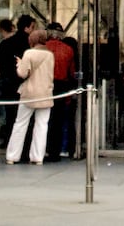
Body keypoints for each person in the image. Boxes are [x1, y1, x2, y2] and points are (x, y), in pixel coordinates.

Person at [7, 29, 55, 164]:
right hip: (45, 93)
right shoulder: (50, 55)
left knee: (20, 124)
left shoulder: (29, 53)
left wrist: (19, 64)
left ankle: (13, 155)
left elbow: (22, 74)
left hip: (29, 93)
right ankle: (37, 157)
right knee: (42, 126)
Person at [0, 15, 33, 146]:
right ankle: (25, 146)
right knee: (26, 118)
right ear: (28, 27)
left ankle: (11, 144)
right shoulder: (29, 45)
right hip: (24, 84)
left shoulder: (5, 43)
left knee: (11, 116)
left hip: (8, 83)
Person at [45, 22, 77, 161]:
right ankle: (55, 152)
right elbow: (72, 72)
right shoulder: (68, 49)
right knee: (57, 120)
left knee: (42, 120)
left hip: (45, 84)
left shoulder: (42, 48)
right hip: (61, 86)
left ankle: (41, 149)